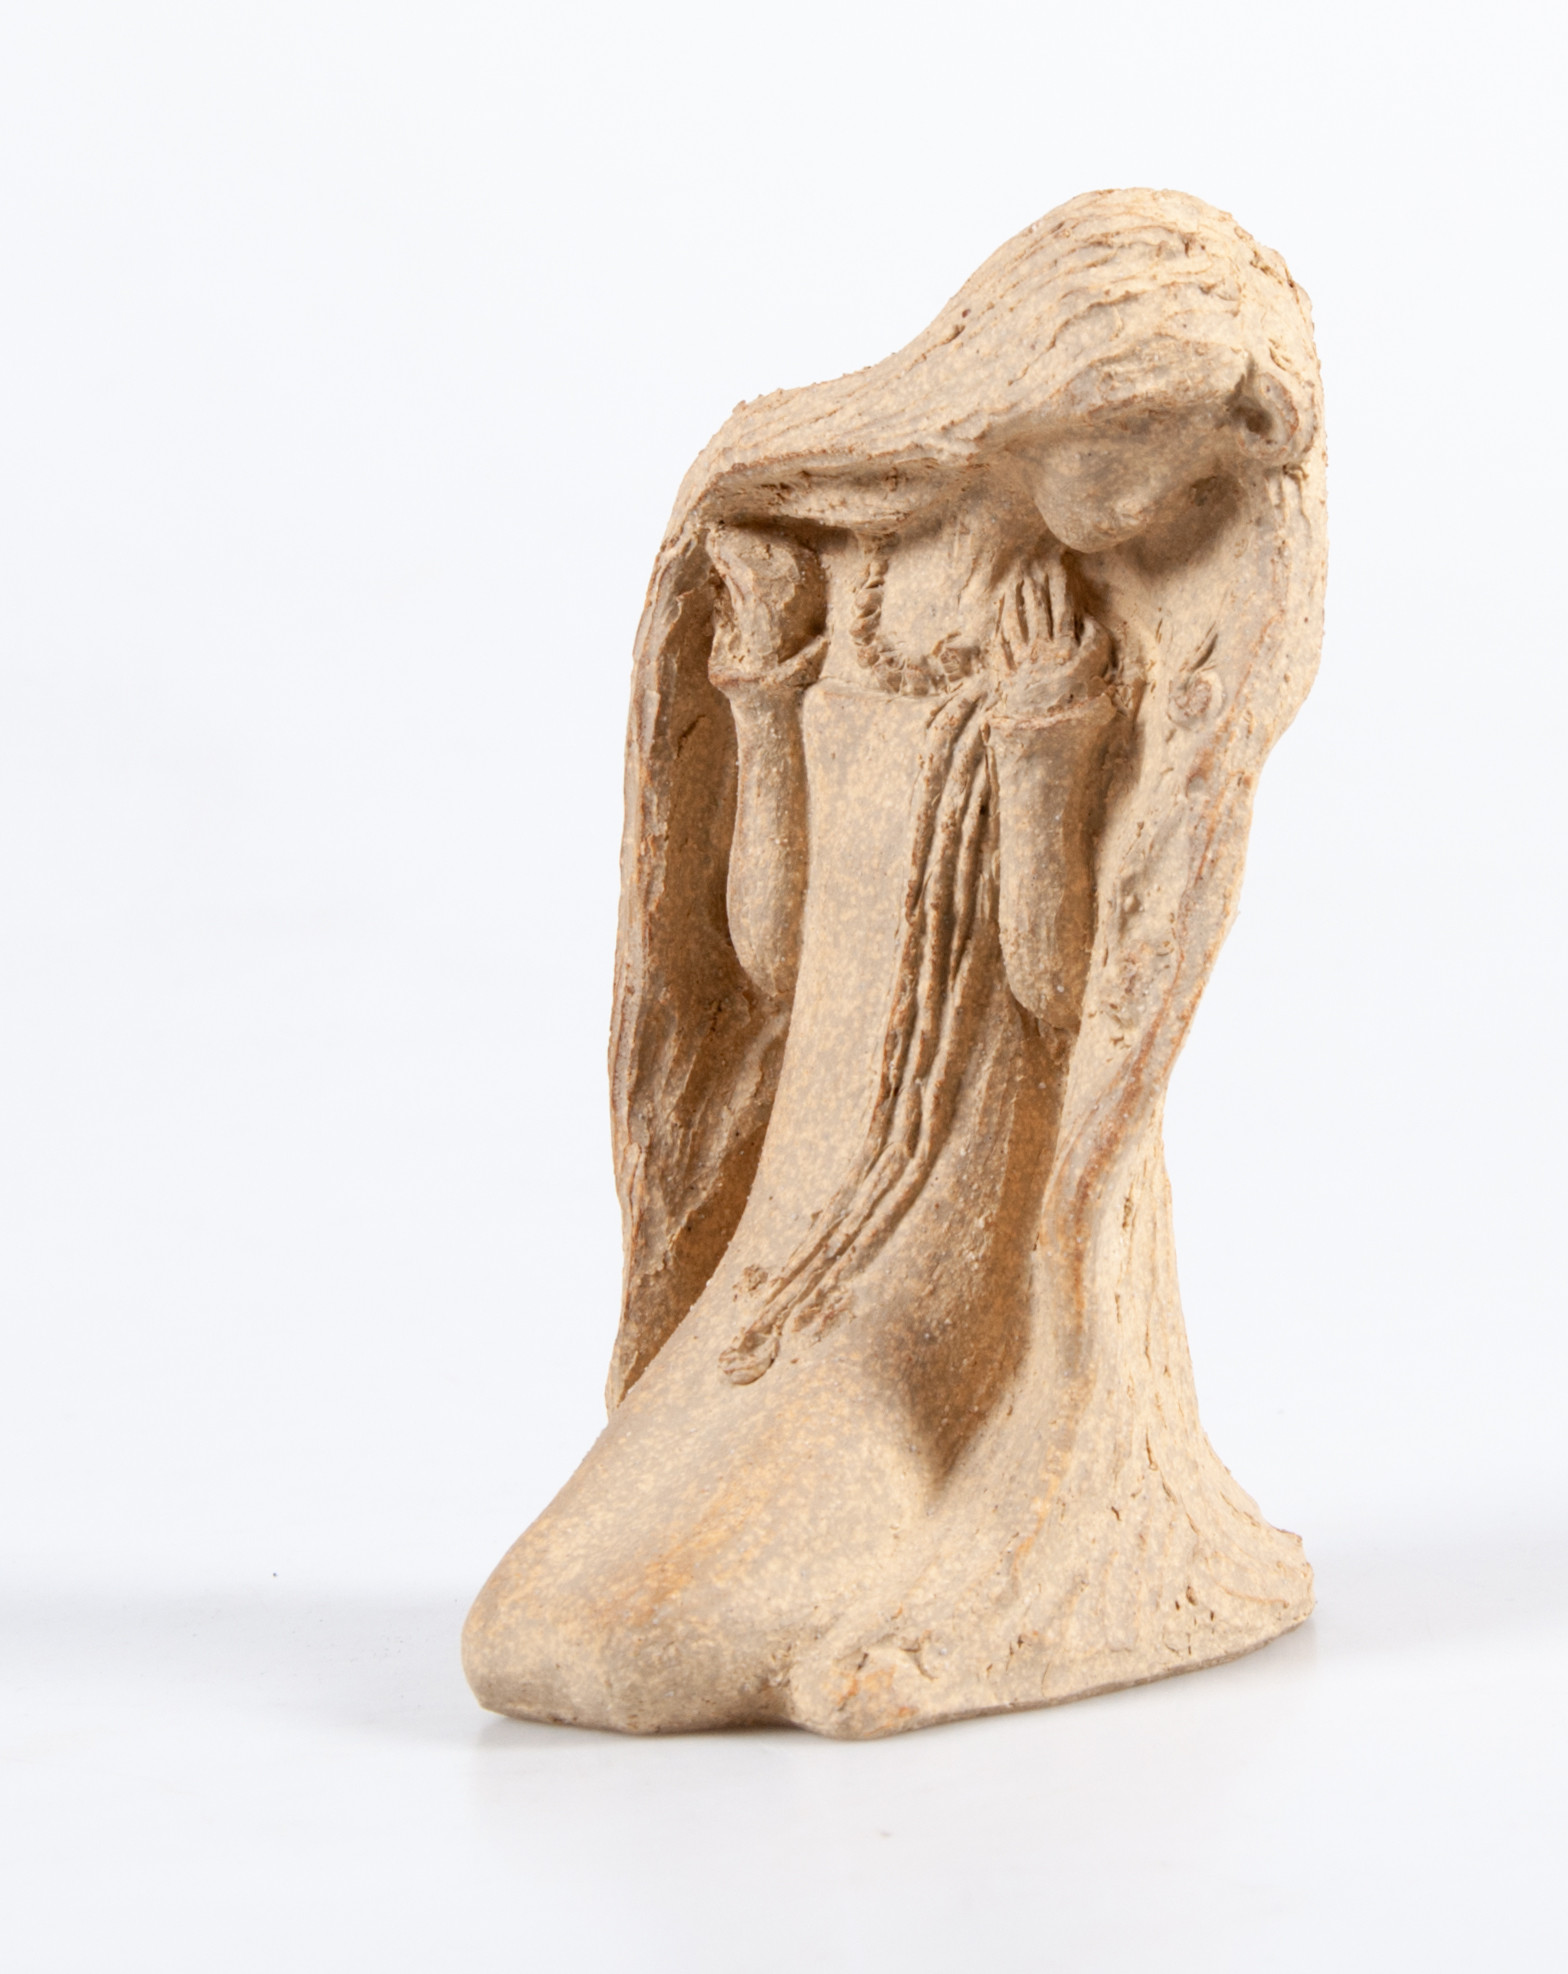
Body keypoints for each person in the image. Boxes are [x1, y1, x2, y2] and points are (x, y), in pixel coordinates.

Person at [466, 189, 1328, 1737]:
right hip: (778, 1271)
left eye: (1189, 473)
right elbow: (767, 957)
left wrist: (1047, 750)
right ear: (1038, 389)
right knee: (527, 1634)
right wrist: (758, 691)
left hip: (920, 1308)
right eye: (1138, 445)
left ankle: (997, 1540)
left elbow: (1056, 998)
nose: (1150, 502)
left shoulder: (1060, 640)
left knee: (631, 1648)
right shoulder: (851, 577)